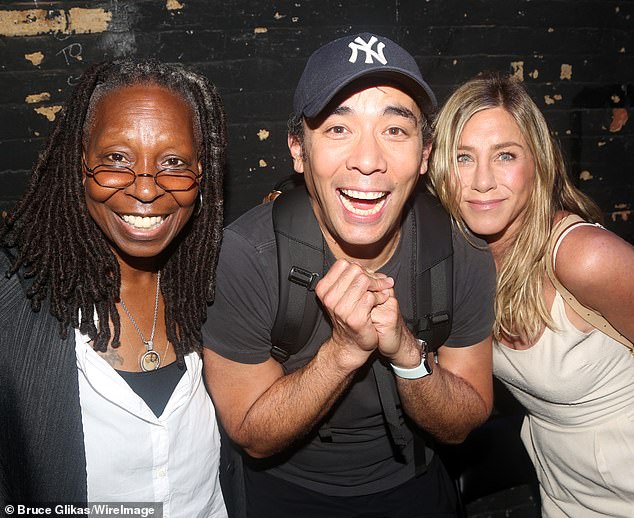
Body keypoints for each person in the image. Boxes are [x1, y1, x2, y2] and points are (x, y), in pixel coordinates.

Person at [203, 33, 496, 518]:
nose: (367, 160)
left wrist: (406, 354)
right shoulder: (245, 256)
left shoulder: (457, 250)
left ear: (425, 155)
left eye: (395, 131)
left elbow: (463, 422)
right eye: (339, 129)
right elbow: (252, 434)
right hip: (287, 495)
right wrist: (342, 353)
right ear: (298, 150)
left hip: (416, 484)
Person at [0, 59, 228, 517]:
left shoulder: (214, 285)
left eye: (174, 163)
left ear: (201, 175)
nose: (146, 189)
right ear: (78, 166)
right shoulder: (15, 305)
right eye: (117, 159)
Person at [428, 72, 634, 517]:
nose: (482, 180)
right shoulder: (462, 261)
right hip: (562, 482)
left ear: (537, 162)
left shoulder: (583, 257)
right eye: (463, 157)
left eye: (504, 155)